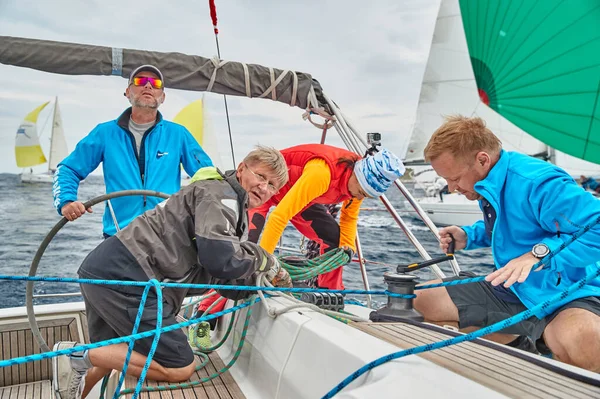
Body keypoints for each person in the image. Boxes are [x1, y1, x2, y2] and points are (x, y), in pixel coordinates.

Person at [52, 146, 292, 399]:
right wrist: (265, 260)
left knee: (111, 349)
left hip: (103, 269)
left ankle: (74, 391)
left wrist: (252, 284)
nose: (265, 188)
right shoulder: (221, 197)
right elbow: (220, 259)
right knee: (179, 365)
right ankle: (72, 356)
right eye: (261, 177)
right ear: (242, 169)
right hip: (126, 278)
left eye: (273, 185)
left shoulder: (221, 197)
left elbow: (220, 273)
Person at [413, 115, 600, 371]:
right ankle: (519, 344)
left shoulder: (538, 182)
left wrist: (538, 254)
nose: (451, 187)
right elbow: (513, 225)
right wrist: (469, 236)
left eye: (455, 178)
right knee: (417, 300)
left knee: (581, 341)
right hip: (515, 289)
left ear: (482, 159)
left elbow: (596, 227)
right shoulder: (488, 182)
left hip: (569, 293)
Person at [193, 144, 405, 339]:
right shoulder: (322, 173)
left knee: (334, 240)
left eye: (364, 195)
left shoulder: (357, 187)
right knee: (244, 254)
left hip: (297, 197)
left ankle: (330, 297)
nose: (357, 196)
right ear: (356, 174)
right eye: (359, 191)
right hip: (267, 191)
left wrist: (347, 249)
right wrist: (263, 263)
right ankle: (205, 313)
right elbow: (279, 218)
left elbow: (349, 218)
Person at [52, 64, 212, 237]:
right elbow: (68, 169)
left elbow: (208, 176)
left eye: (155, 83)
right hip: (119, 235)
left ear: (163, 97)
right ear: (128, 92)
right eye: (141, 81)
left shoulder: (178, 135)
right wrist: (67, 200)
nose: (148, 86)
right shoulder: (104, 133)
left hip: (167, 235)